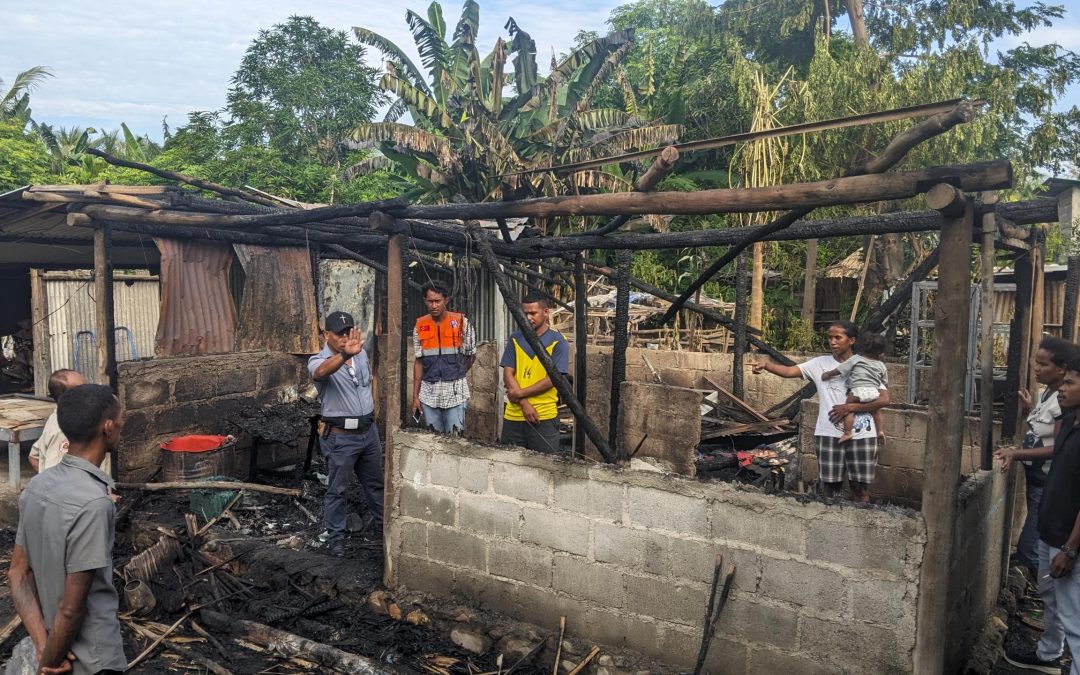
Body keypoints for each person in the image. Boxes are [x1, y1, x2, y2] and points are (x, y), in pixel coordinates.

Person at [7, 384, 127, 675]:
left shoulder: (36, 487)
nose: (123, 425)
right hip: (92, 660)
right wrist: (49, 663)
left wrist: (42, 647)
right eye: (121, 419)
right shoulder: (95, 504)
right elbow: (72, 609)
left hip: (54, 644)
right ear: (107, 428)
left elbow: (17, 574)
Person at [752, 321, 890, 502]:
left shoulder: (866, 363)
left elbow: (884, 399)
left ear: (851, 340)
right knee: (831, 488)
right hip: (828, 434)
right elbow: (788, 371)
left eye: (838, 337)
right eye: (830, 337)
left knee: (860, 488)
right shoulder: (819, 364)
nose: (832, 342)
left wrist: (850, 407)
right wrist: (767, 365)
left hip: (863, 435)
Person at [1004, 355, 1080, 674]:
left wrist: (1069, 548)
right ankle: (1050, 654)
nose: (1060, 388)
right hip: (1051, 532)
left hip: (1068, 541)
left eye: (1069, 383)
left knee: (1074, 618)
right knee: (1053, 601)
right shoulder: (1069, 422)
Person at [996, 337, 1078, 577]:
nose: (1036, 368)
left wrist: (1016, 453)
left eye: (1043, 365)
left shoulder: (1064, 404)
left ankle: (1031, 575)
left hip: (1046, 481)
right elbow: (1047, 430)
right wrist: (1030, 410)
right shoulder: (1049, 394)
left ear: (1062, 369)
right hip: (1038, 479)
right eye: (1036, 363)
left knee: (1034, 540)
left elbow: (1059, 447)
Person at [308, 311, 384, 556]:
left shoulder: (360, 353)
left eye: (347, 331)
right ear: (326, 334)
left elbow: (367, 382)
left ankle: (384, 531)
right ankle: (336, 538)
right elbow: (320, 373)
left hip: (368, 434)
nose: (344, 337)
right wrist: (343, 354)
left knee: (376, 485)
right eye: (338, 333)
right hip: (341, 437)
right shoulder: (318, 360)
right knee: (338, 489)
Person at [500, 292, 570, 454]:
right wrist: (524, 403)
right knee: (508, 465)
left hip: (543, 415)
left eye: (533, 313)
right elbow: (508, 373)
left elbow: (553, 379)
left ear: (546, 312)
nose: (528, 318)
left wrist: (519, 393)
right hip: (514, 414)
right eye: (525, 313)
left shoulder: (558, 341)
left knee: (545, 467)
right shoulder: (515, 338)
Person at [411, 281, 477, 434]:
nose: (434, 306)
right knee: (433, 441)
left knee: (455, 441)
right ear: (425, 301)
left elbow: (471, 355)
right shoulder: (419, 326)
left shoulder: (462, 323)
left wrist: (457, 374)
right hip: (428, 395)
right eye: (430, 301)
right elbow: (419, 363)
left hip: (455, 394)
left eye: (437, 301)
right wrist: (415, 397)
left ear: (446, 300)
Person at [821, 333, 888, 445]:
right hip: (873, 392)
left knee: (848, 409)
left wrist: (828, 374)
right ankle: (880, 431)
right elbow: (885, 382)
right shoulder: (881, 365)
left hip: (857, 391)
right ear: (881, 352)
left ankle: (847, 432)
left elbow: (841, 369)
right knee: (876, 411)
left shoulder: (856, 359)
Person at [29, 369, 86, 473]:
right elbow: (56, 474)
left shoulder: (57, 418)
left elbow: (33, 456)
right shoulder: (63, 430)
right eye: (82, 390)